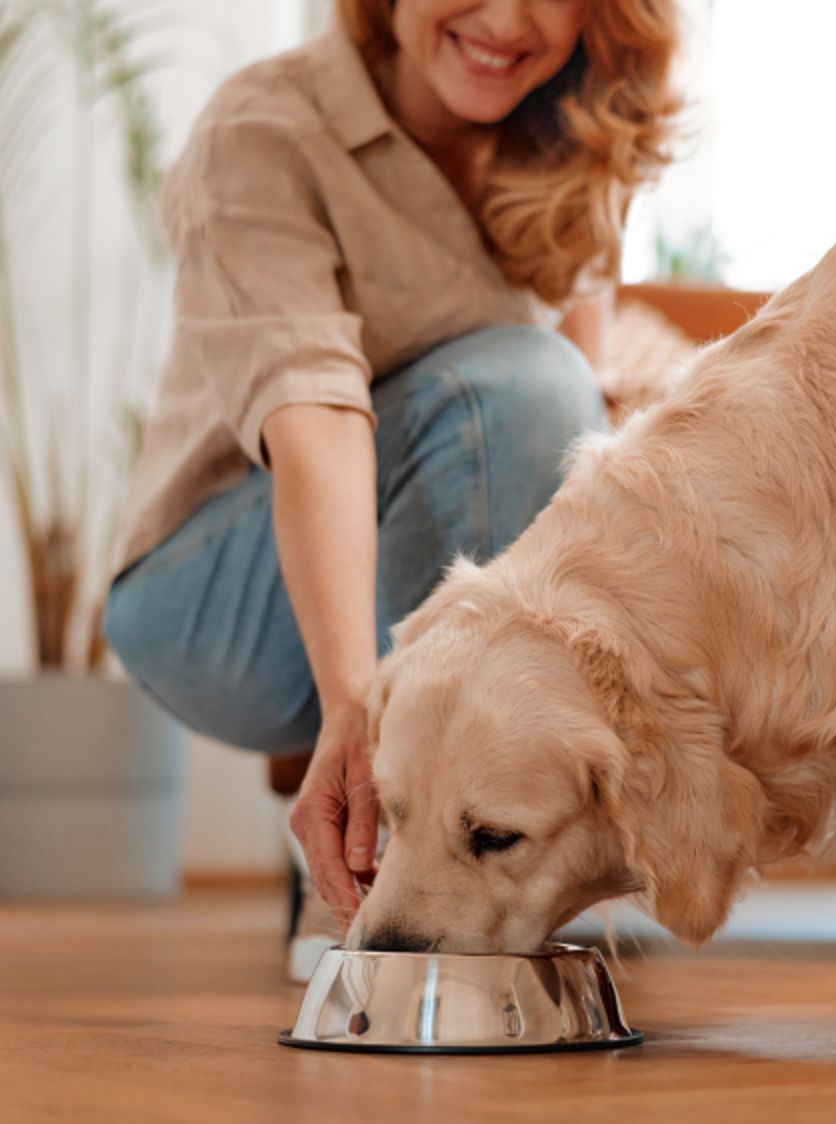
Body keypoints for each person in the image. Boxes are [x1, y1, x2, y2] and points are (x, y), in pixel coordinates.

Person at [103, 0, 681, 975]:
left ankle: (473, 883)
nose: (507, 19)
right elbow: (316, 421)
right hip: (217, 600)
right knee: (517, 385)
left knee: (552, 396)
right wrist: (354, 708)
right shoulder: (263, 129)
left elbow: (580, 430)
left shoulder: (576, 135)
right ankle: (368, 880)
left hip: (409, 557)